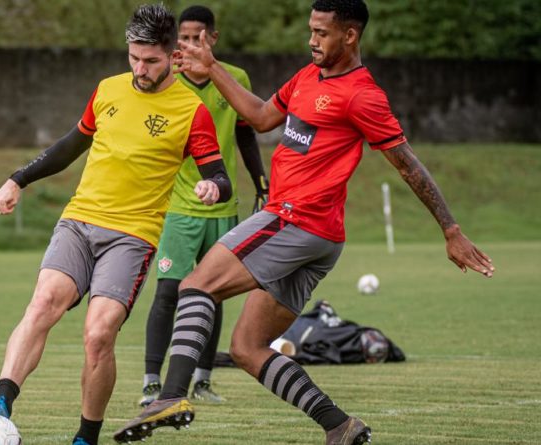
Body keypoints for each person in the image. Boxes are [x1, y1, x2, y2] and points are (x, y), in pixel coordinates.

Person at [114, 0, 495, 444]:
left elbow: (408, 164)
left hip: (296, 220)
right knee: (247, 349)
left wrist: (451, 230)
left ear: (350, 36)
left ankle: (171, 395)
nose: (312, 40)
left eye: (322, 33)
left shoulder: (362, 94)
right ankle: (339, 426)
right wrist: (211, 66)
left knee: (196, 285)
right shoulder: (307, 76)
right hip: (320, 237)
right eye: (310, 30)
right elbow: (259, 118)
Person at [0, 5, 232, 445]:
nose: (140, 68)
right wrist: (19, 178)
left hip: (133, 237)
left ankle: (85, 437)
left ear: (172, 56)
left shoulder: (191, 111)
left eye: (150, 60)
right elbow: (69, 146)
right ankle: (0, 405)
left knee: (98, 335)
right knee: (43, 303)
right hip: (79, 221)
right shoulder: (108, 90)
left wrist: (214, 187)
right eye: (133, 57)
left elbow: (220, 175)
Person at [139, 4, 269, 408]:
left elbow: (247, 134)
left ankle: (203, 380)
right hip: (179, 208)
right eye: (184, 37)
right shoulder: (166, 79)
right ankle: (150, 382)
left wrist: (260, 181)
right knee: (167, 293)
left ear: (212, 38)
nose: (190, 44)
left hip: (223, 209)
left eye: (198, 37)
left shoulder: (235, 79)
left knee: (211, 295)